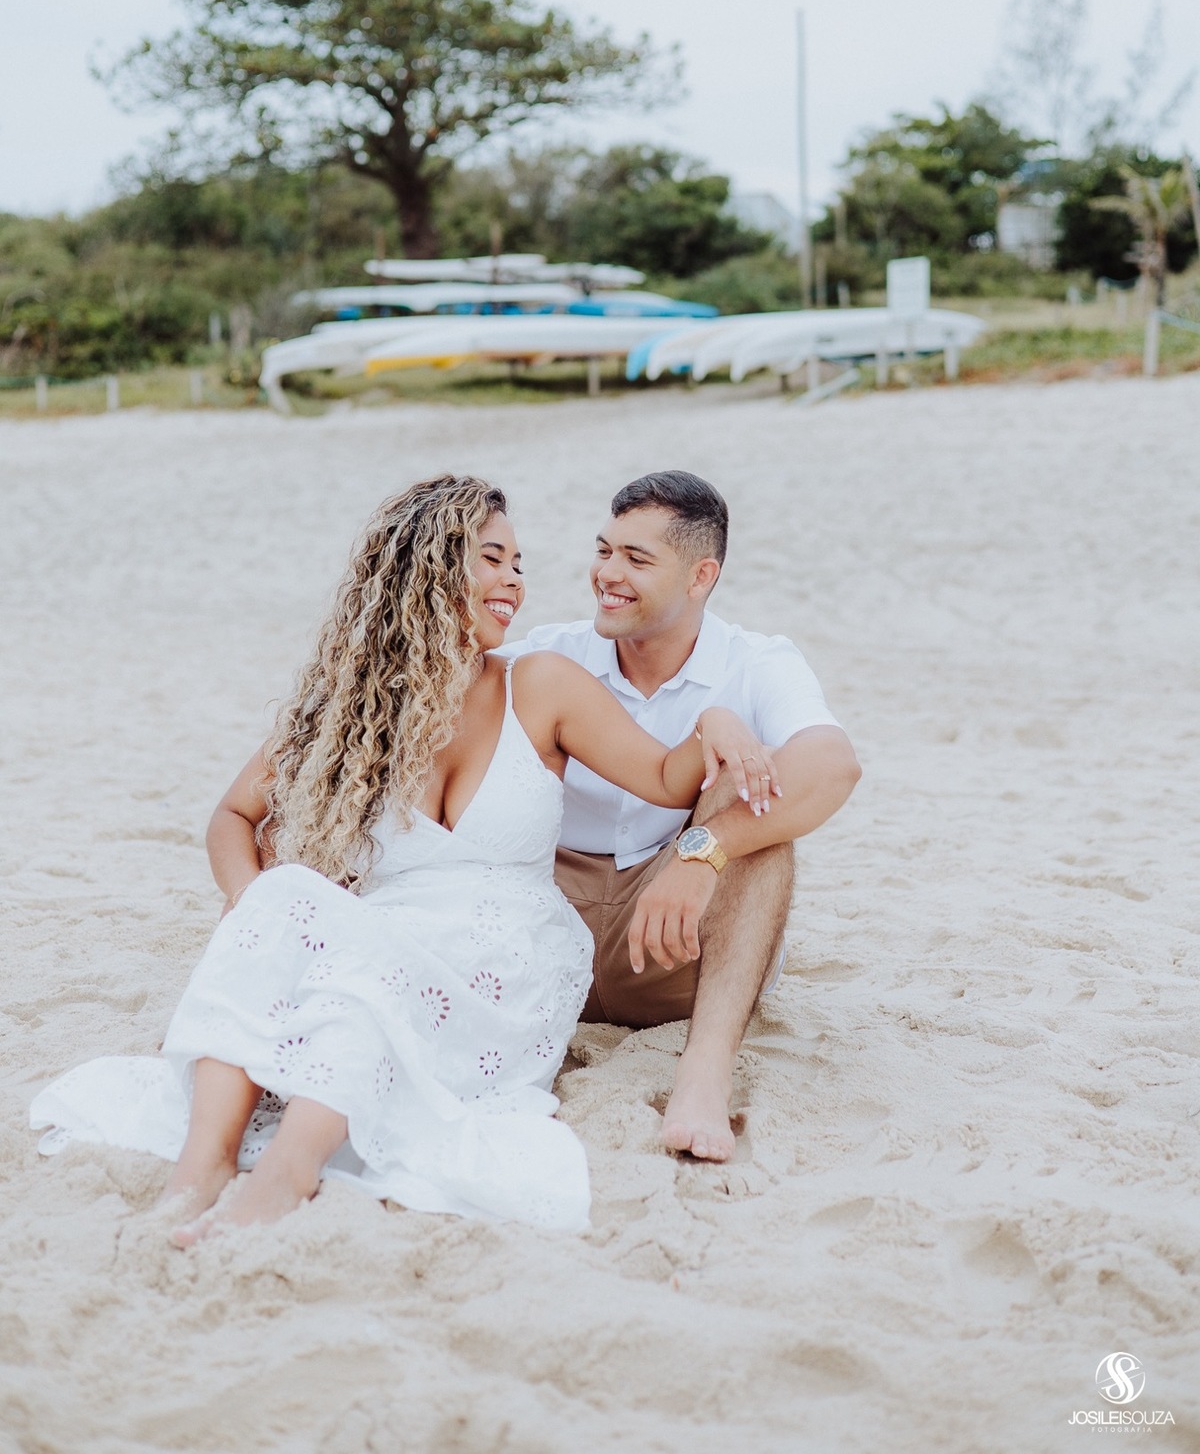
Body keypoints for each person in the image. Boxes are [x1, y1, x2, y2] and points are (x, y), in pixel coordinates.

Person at [31, 475, 777, 1239]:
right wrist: (244, 898)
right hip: (388, 931)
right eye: (492, 559)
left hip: (504, 956)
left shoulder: (541, 684)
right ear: (429, 567)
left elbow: (661, 775)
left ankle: (287, 1175)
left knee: (362, 992)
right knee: (286, 902)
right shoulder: (355, 705)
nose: (515, 581)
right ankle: (205, 1162)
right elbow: (233, 814)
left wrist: (714, 720)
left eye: (519, 563)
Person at [509, 470, 861, 1164]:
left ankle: (703, 1072)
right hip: (548, 924)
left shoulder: (755, 662)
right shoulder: (549, 655)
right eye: (604, 550)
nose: (607, 574)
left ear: (701, 576)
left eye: (636, 560)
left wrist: (701, 851)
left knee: (754, 790)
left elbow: (834, 765)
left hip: (673, 939)